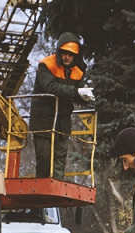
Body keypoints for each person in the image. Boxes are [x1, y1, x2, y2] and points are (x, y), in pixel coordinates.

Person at [30, 32, 95, 179]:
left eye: (71, 54)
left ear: (76, 55)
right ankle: (42, 186)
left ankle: (56, 188)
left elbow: (75, 93)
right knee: (44, 155)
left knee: (60, 155)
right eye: (64, 53)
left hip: (62, 119)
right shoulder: (46, 65)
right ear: (59, 52)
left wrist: (86, 98)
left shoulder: (78, 71)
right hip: (43, 119)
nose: (67, 57)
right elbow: (51, 87)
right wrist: (77, 91)